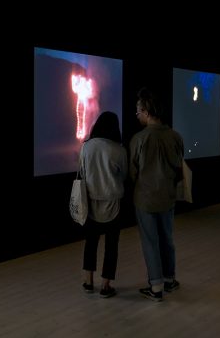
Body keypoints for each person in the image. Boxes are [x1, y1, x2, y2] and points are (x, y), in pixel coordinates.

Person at [130, 88, 184, 302]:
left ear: (146, 111)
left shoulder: (139, 139)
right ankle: (170, 279)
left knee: (150, 241)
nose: (137, 115)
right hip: (168, 197)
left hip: (145, 198)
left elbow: (133, 173)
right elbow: (180, 168)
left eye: (138, 111)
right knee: (167, 239)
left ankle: (156, 287)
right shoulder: (175, 137)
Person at [79, 111, 128, 298]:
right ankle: (106, 285)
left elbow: (82, 171)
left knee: (90, 243)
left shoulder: (86, 147)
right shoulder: (119, 150)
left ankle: (88, 281)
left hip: (90, 202)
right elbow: (123, 176)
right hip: (113, 202)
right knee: (111, 245)